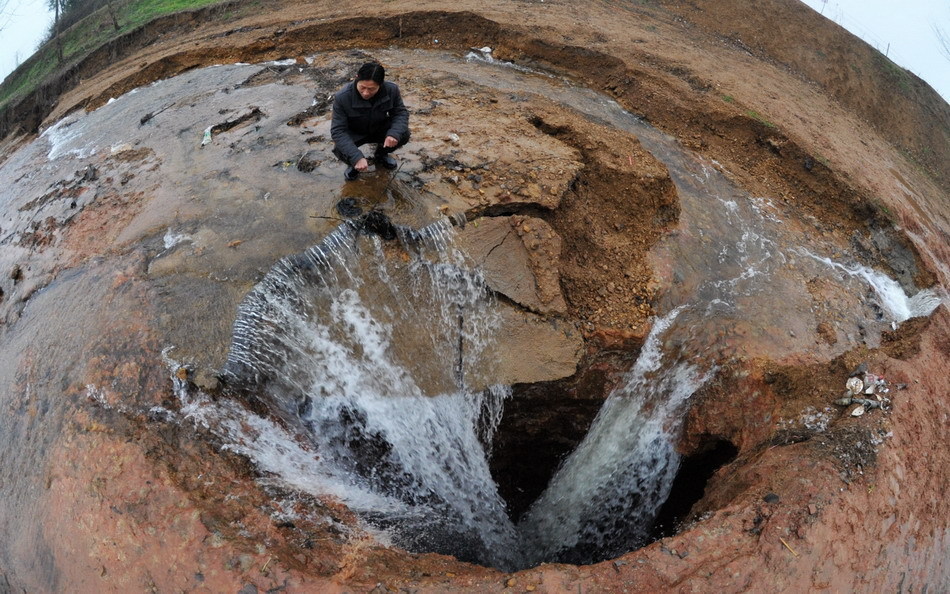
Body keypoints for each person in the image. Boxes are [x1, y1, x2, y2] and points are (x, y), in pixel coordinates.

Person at [331, 62, 410, 181]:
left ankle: (381, 154)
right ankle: (354, 164)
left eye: (371, 89)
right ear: (357, 78)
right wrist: (356, 157)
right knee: (340, 147)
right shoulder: (342, 97)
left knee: (403, 134)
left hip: (379, 128)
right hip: (355, 132)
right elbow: (338, 130)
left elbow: (400, 113)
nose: (366, 93)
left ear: (380, 84)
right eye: (362, 87)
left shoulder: (391, 90)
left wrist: (394, 133)